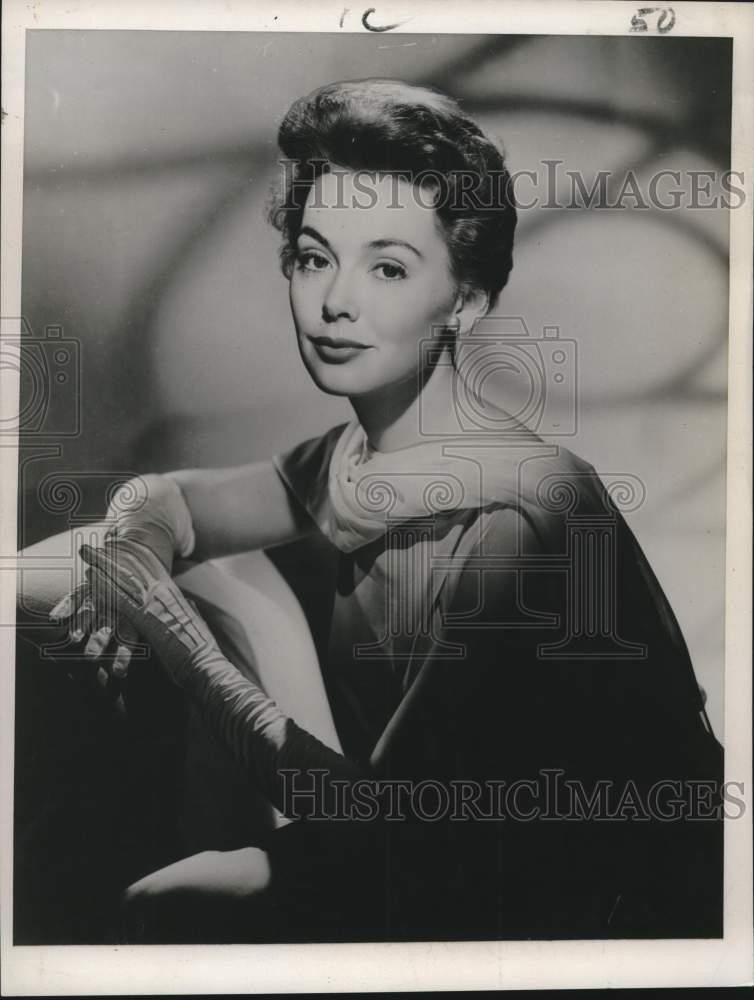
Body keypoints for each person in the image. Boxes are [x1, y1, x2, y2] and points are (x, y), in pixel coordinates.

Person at [36, 78, 722, 942]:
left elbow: (382, 825)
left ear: (466, 301)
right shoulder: (355, 464)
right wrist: (128, 559)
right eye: (316, 257)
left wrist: (175, 634)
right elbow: (173, 498)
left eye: (388, 268)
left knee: (163, 907)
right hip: (422, 851)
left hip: (576, 909)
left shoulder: (528, 520)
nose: (334, 302)